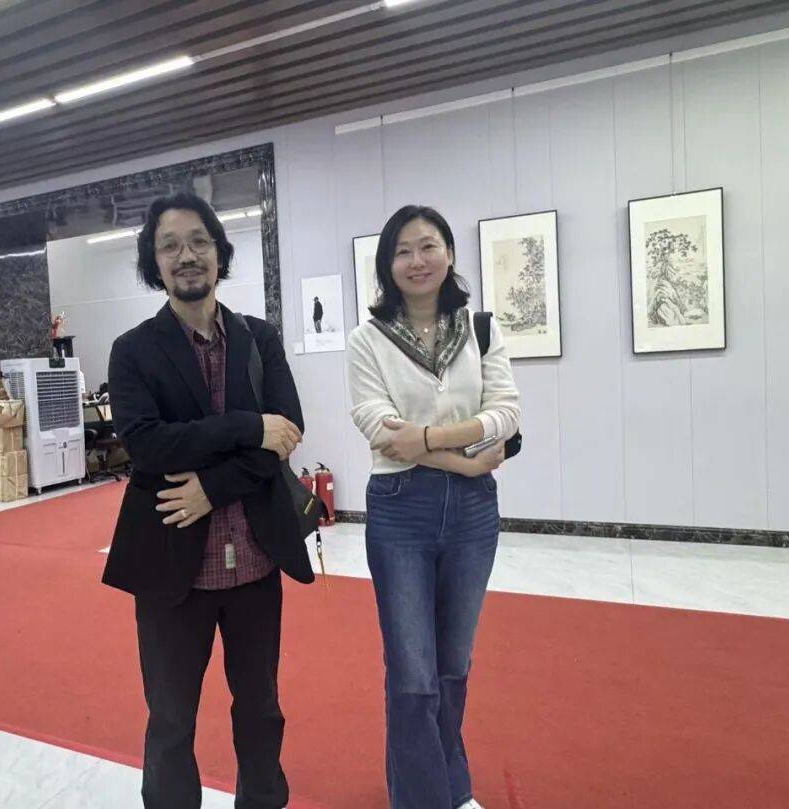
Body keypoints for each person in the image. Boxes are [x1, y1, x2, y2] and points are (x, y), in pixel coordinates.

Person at [102, 191, 313, 809]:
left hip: (255, 561)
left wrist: (210, 488)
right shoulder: (133, 350)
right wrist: (247, 427)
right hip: (172, 569)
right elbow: (147, 445)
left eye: (199, 241)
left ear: (220, 252)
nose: (186, 255)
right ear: (154, 262)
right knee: (171, 719)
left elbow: (287, 431)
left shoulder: (259, 339)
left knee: (262, 711)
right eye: (169, 245)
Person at [346, 205, 520, 809]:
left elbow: (506, 413)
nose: (416, 261)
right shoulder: (368, 341)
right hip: (401, 509)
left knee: (453, 666)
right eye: (402, 251)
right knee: (414, 672)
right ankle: (425, 798)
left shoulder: (481, 329)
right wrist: (466, 459)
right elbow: (380, 430)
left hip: (473, 513)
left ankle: (450, 786)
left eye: (428, 246)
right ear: (386, 266)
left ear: (449, 253)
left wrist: (428, 438)